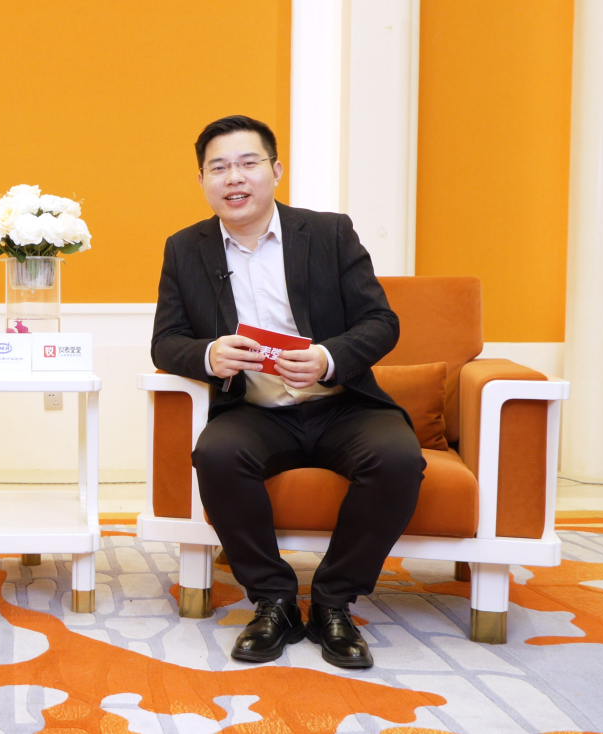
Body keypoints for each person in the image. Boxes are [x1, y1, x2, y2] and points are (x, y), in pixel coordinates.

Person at [150, 115, 424, 669]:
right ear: (202, 180)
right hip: (253, 410)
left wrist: (327, 358)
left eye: (248, 163)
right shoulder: (185, 249)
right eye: (219, 168)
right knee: (215, 454)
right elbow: (166, 342)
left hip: (341, 404)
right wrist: (209, 354)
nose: (234, 178)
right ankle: (273, 600)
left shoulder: (328, 233)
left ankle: (332, 602)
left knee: (397, 459)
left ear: (275, 170)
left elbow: (381, 322)